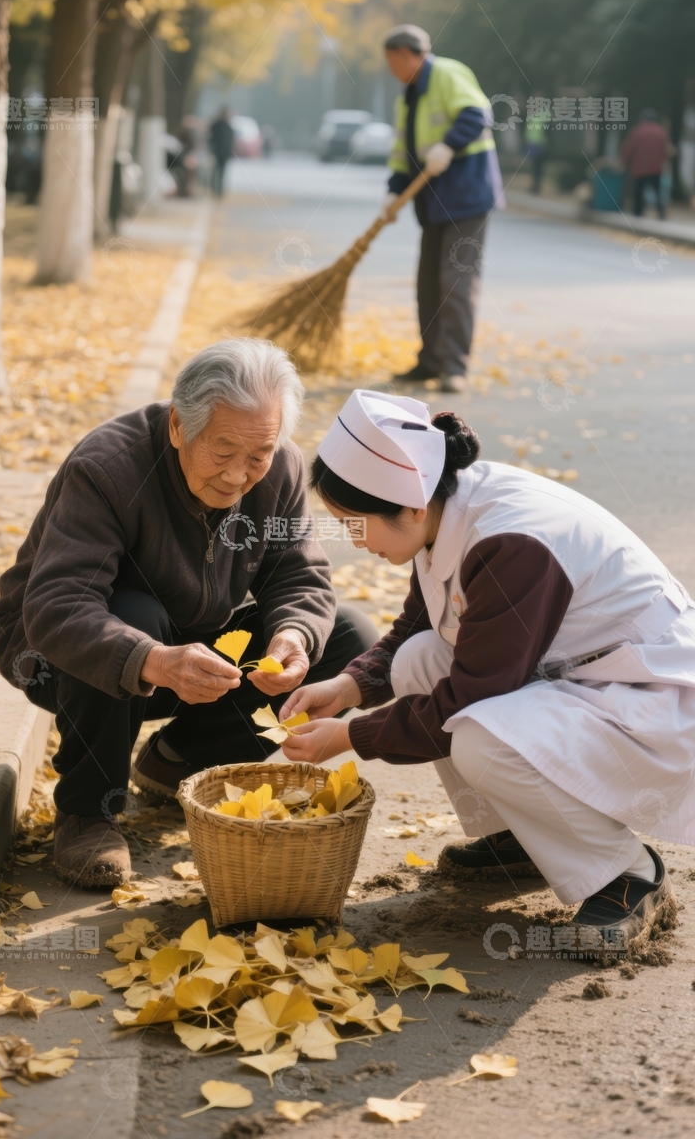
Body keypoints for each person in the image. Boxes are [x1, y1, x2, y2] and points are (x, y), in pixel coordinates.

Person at [280, 389, 694, 948]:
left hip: (646, 694)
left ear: (411, 506)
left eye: (356, 525)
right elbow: (420, 624)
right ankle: (522, 835)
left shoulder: (510, 542)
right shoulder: (445, 510)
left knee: (477, 738)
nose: (355, 542)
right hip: (575, 675)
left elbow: (470, 696)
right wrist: (348, 685)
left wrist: (351, 735)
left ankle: (627, 874)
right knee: (419, 658)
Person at [0, 341, 376, 889]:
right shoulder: (108, 469)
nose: (240, 475)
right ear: (177, 426)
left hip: (191, 640)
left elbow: (299, 576)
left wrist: (293, 636)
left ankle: (178, 757)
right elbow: (59, 606)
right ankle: (86, 811)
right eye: (223, 451)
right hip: (57, 651)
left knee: (346, 639)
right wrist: (153, 660)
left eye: (258, 453)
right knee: (131, 614)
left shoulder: (279, 469)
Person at [381, 24, 503, 394]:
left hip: (465, 195)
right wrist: (393, 191)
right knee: (428, 283)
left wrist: (447, 146)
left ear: (407, 54)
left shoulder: (448, 73)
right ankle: (429, 360)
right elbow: (404, 151)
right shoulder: (408, 97)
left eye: (391, 62)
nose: (391, 70)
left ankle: (454, 366)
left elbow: (477, 114)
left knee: (456, 281)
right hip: (432, 202)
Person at [621, 107, 669, 219]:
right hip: (655, 169)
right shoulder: (660, 132)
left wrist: (624, 163)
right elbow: (665, 151)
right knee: (657, 192)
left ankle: (637, 213)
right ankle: (661, 214)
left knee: (638, 192)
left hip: (639, 168)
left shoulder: (637, 131)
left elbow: (628, 149)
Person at [524, 97, 550, 195]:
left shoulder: (545, 113)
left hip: (540, 144)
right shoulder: (532, 113)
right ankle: (534, 186)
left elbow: (548, 130)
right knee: (534, 166)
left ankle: (536, 187)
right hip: (532, 143)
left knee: (538, 167)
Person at [209, 106, 235, 198]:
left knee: (215, 171)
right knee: (220, 172)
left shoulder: (215, 125)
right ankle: (218, 190)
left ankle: (214, 189)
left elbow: (210, 138)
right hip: (223, 152)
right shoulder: (228, 126)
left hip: (217, 151)